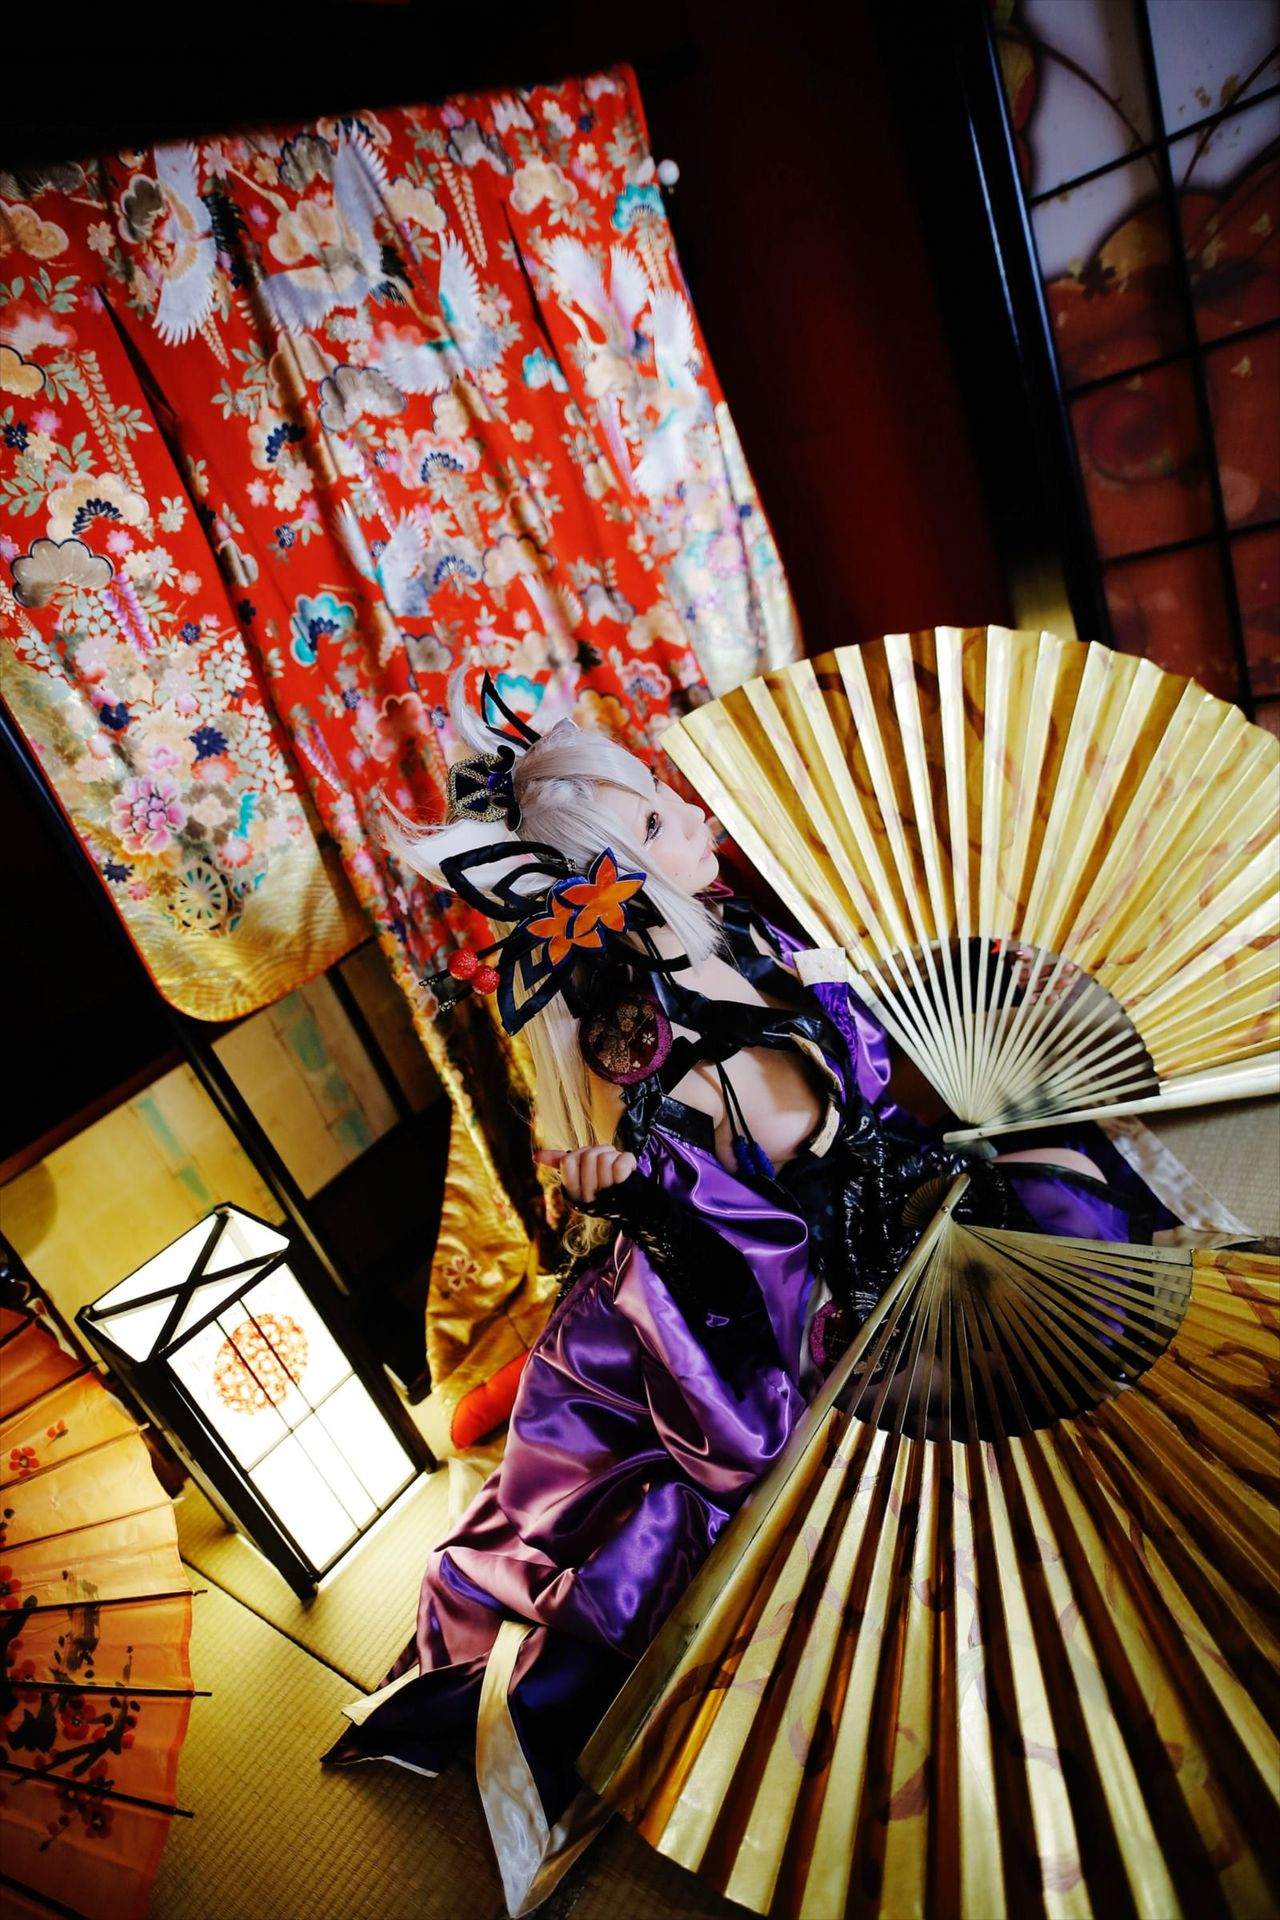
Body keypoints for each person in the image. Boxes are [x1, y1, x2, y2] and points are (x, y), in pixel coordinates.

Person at [319, 669, 1173, 1915]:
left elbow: (864, 1081)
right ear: (610, 876)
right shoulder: (651, 1058)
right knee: (971, 1390)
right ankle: (510, 1424)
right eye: (657, 820)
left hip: (882, 1198)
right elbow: (746, 1271)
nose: (698, 819)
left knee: (1070, 1177)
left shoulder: (732, 937)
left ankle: (506, 1395)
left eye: (667, 800)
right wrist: (661, 1203)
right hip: (778, 1304)